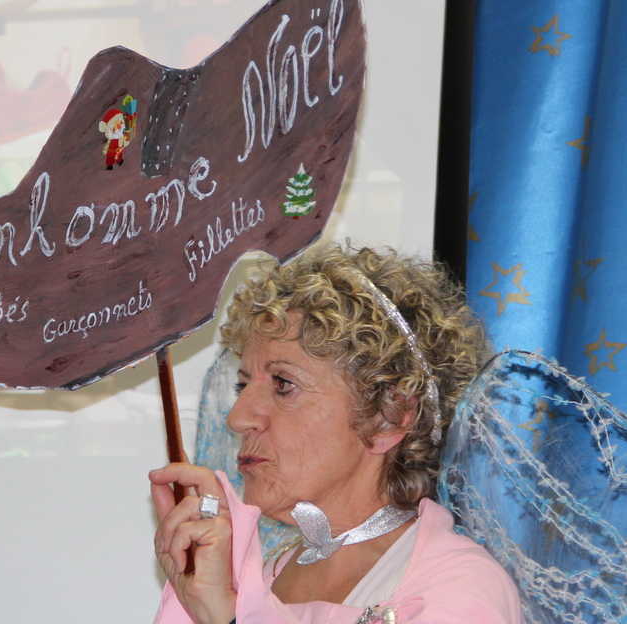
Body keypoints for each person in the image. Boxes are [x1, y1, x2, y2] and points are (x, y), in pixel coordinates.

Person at [149, 243, 524, 624]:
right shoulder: (263, 575)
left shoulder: (460, 589)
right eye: (241, 386)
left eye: (283, 384)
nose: (238, 418)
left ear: (388, 417)